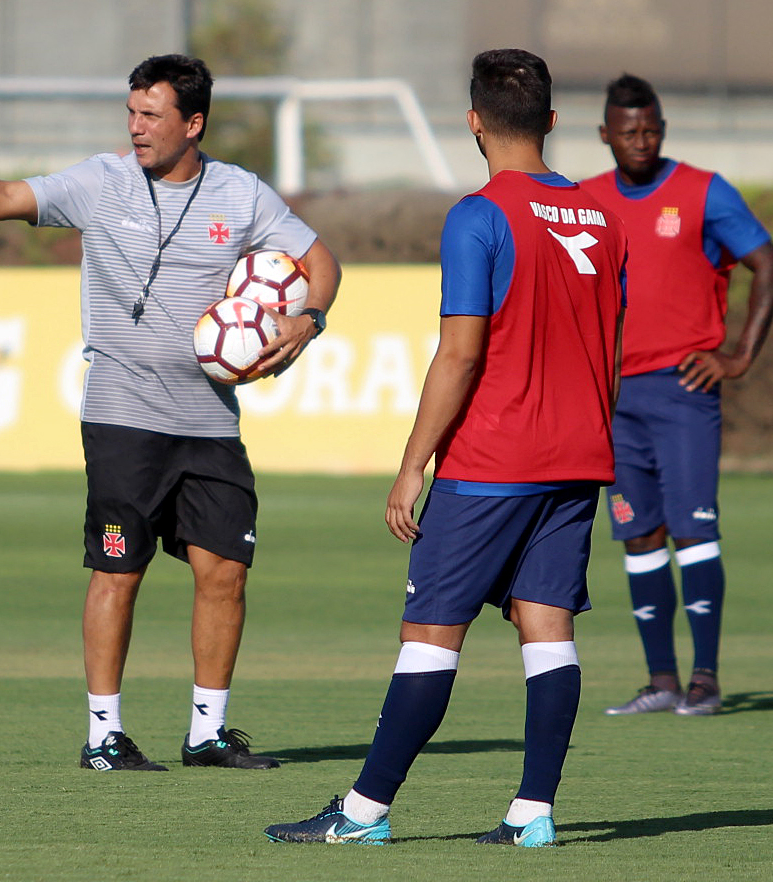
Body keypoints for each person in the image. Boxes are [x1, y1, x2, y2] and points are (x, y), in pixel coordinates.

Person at [0, 54, 343, 767]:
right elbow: (5, 196)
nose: (136, 127)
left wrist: (310, 318)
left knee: (225, 574)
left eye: (152, 115)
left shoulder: (241, 194)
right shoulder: (101, 181)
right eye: (132, 112)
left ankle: (207, 734)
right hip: (123, 415)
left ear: (193, 123)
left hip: (210, 422)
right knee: (118, 571)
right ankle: (103, 735)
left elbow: (321, 260)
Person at [262, 48, 626, 847]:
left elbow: (460, 354)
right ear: (550, 121)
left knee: (429, 636)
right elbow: (610, 341)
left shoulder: (479, 215)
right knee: (548, 630)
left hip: (494, 460)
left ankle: (362, 813)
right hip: (579, 458)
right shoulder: (604, 217)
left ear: (472, 122)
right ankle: (532, 813)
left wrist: (412, 464)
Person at [581, 74, 773, 716]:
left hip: (683, 391)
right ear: (606, 134)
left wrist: (739, 356)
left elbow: (770, 266)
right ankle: (661, 679)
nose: (641, 141)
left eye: (651, 130)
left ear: (663, 129)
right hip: (615, 401)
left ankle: (705, 678)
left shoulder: (703, 191)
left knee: (693, 531)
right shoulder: (585, 200)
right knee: (638, 535)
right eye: (629, 131)